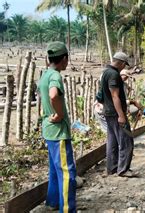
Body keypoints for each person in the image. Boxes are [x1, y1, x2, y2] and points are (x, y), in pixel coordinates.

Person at [39, 41, 76, 212]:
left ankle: (53, 202)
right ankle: (67, 209)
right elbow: (54, 95)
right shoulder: (55, 75)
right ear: (64, 58)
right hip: (58, 132)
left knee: (55, 169)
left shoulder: (45, 75)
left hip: (48, 130)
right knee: (67, 173)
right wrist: (60, 114)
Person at [101, 52, 137, 177]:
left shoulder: (105, 72)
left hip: (108, 112)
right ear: (121, 63)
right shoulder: (113, 74)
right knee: (126, 140)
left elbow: (101, 95)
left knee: (112, 140)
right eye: (124, 65)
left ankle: (112, 168)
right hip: (115, 113)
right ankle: (123, 169)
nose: (124, 68)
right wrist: (121, 115)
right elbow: (115, 95)